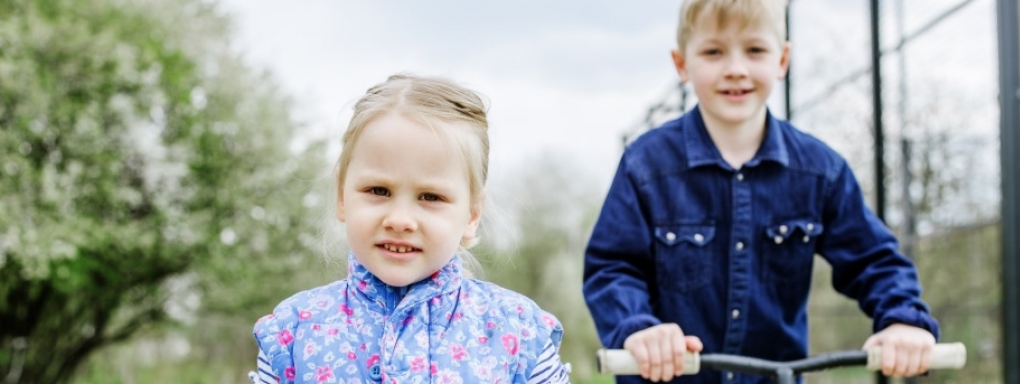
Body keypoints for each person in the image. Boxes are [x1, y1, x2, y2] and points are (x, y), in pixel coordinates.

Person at [582, 1, 939, 383]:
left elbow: (874, 259)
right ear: (682, 64)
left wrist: (903, 320)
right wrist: (638, 328)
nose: (735, 69)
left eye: (754, 50)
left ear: (782, 59)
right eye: (713, 51)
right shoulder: (646, 165)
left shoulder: (821, 171)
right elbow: (612, 267)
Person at [250, 74, 571, 384]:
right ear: (342, 197)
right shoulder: (293, 334)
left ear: (471, 215)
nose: (400, 219)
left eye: (430, 197)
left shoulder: (517, 333)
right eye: (378, 191)